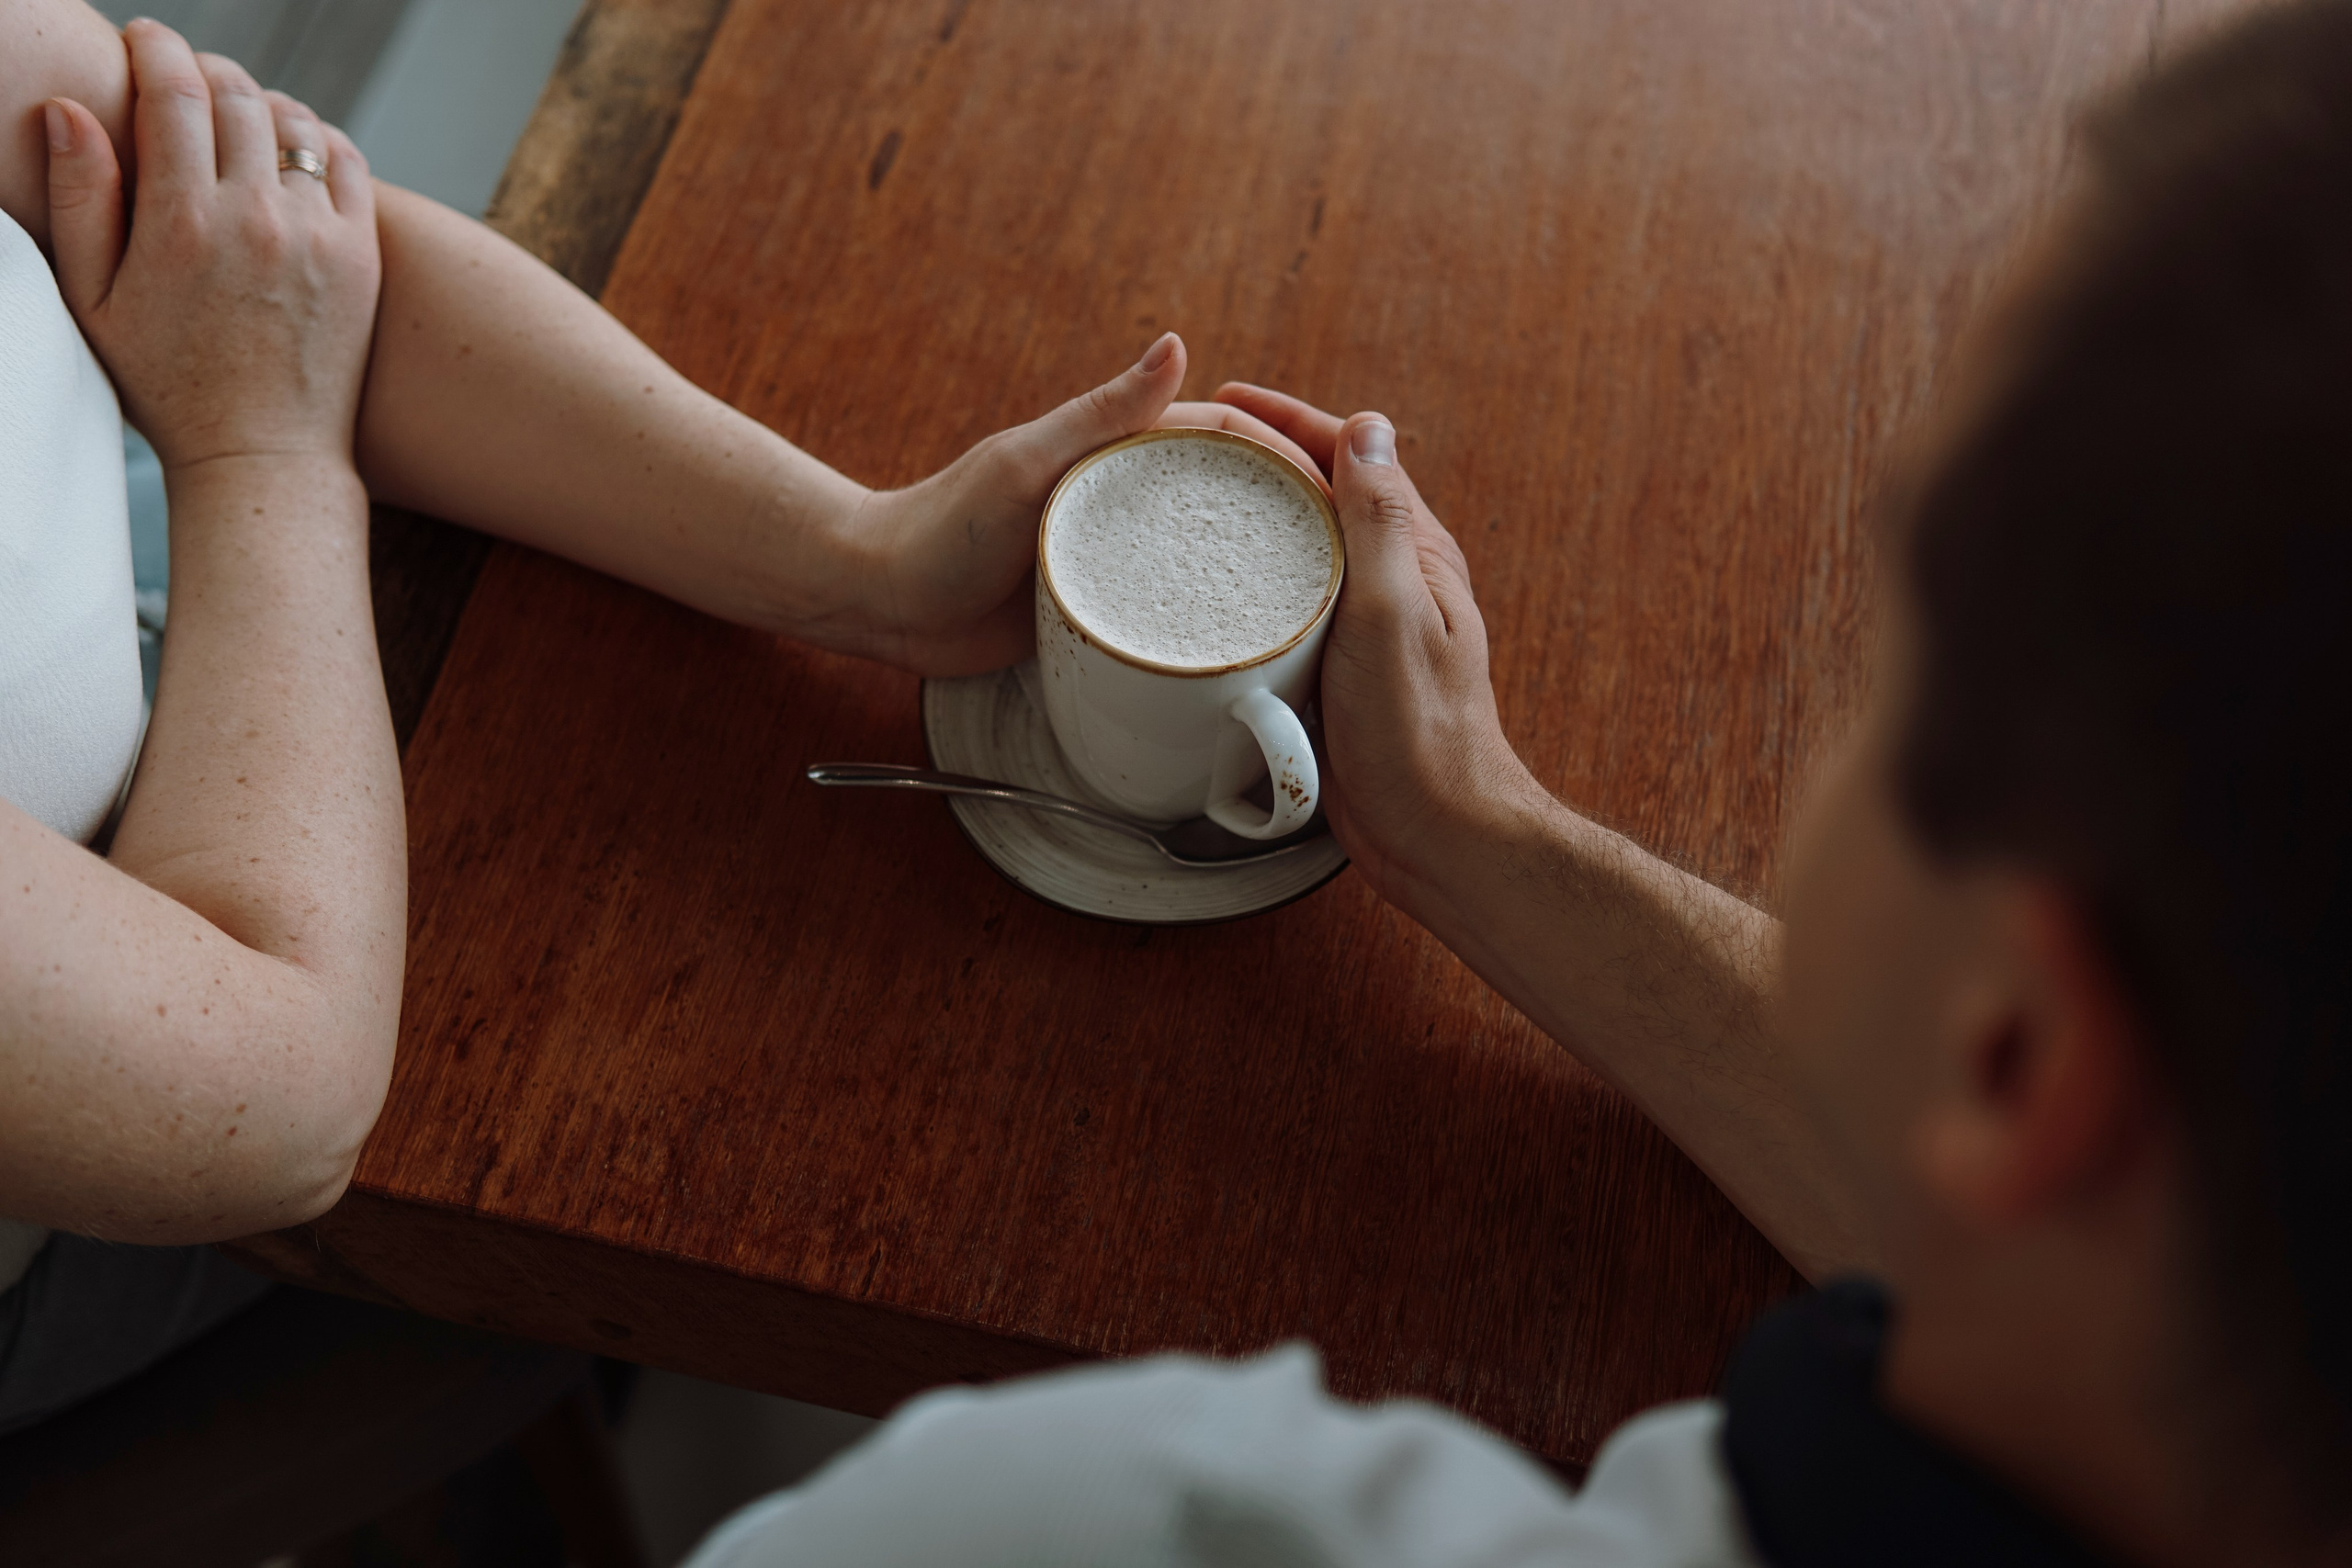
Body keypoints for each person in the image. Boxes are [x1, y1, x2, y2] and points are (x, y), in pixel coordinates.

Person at [671, 4, 2352, 1565]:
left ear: (2017, 1051)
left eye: (1897, 613)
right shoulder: (2174, 1355)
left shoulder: (1117, 1515)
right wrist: (1470, 828)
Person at [0, 6, 1303, 1436]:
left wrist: (861, 567)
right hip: (100, 1186)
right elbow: (272, 1107)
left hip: (192, 567)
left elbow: (283, 247)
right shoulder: (250, 439)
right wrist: (266, 446)